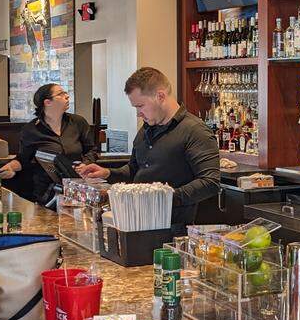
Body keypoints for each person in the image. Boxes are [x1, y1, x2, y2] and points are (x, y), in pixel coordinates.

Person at [75, 68, 220, 232]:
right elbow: (134, 170)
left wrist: (162, 198)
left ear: (160, 96)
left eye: (140, 106)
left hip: (174, 228)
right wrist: (107, 173)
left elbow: (210, 182)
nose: (138, 113)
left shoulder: (195, 131)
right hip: (138, 223)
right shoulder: (146, 129)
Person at [0, 83, 98, 204]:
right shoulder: (31, 130)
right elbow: (23, 159)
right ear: (47, 102)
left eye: (65, 93)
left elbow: (91, 150)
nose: (67, 96)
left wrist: (85, 164)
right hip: (46, 192)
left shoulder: (78, 122)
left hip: (77, 188)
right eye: (61, 94)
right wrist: (10, 167)